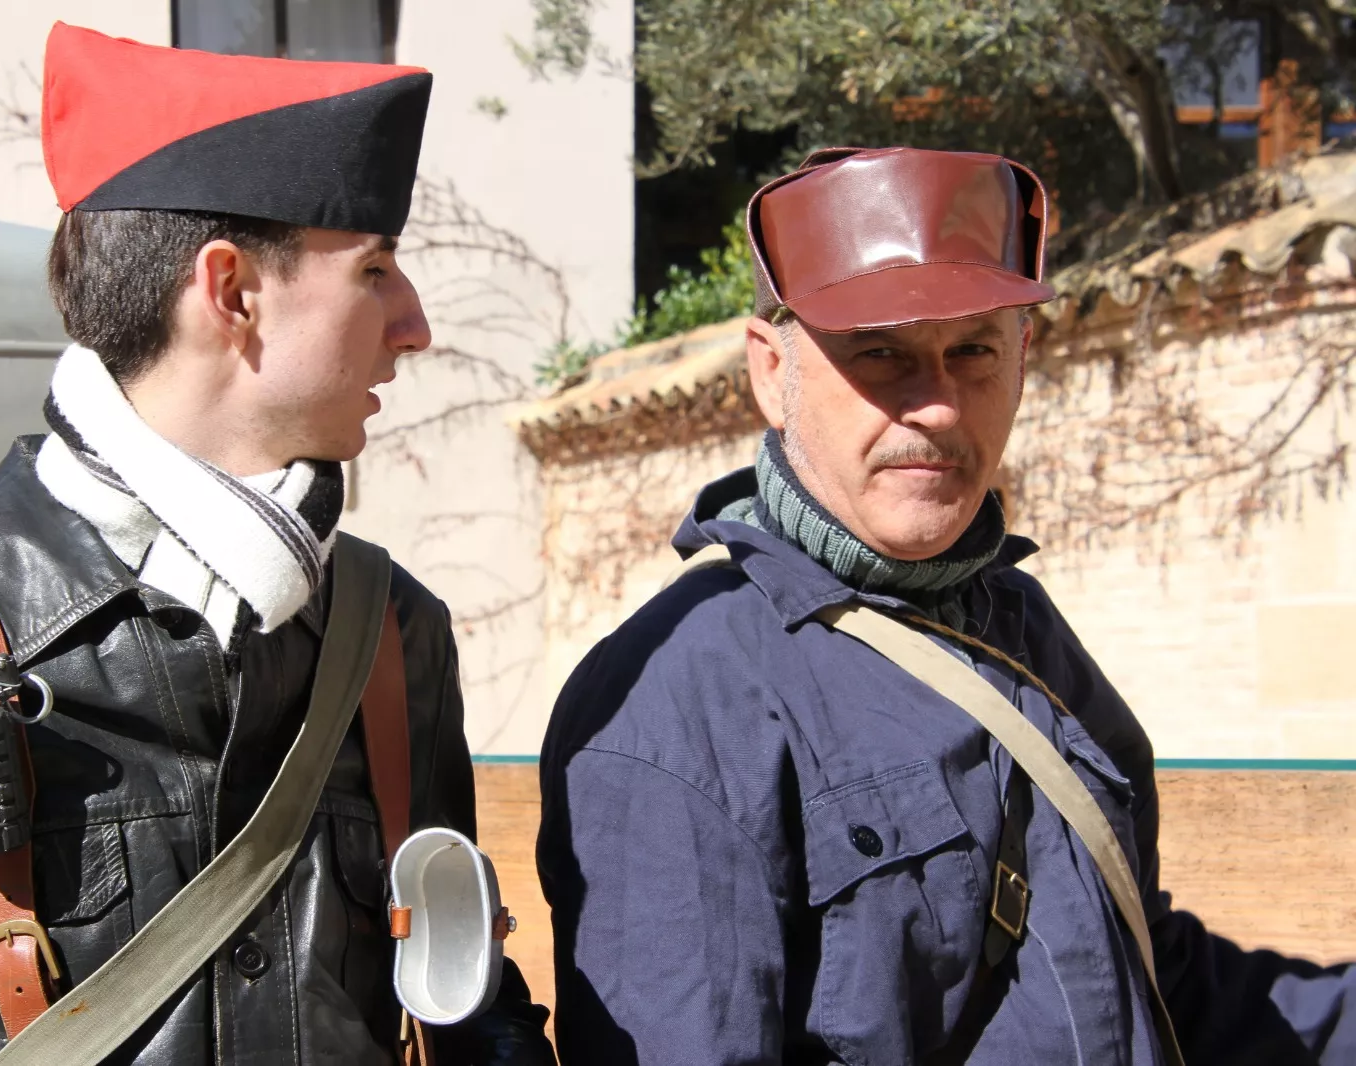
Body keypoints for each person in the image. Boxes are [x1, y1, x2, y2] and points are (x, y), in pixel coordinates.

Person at [0, 24, 554, 1065]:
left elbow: (466, 1006)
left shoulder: (392, 633)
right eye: (374, 270)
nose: (414, 324)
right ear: (230, 292)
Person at [537, 146, 1355, 1064]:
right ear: (772, 371)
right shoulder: (683, 702)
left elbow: (1141, 978)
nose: (935, 406)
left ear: (1023, 358)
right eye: (879, 354)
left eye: (972, 350)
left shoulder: (1021, 625)